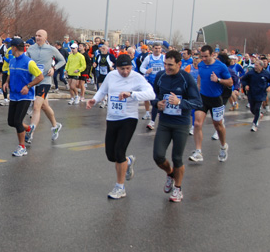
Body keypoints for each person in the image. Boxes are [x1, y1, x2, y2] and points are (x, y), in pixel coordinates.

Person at [86, 54, 155, 199]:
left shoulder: (137, 77)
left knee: (119, 152)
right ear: (116, 67)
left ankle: (120, 187)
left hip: (128, 118)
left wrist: (131, 94)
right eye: (122, 68)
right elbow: (103, 90)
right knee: (111, 156)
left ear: (132, 67)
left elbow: (151, 94)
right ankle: (128, 161)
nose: (125, 71)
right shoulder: (111, 76)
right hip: (112, 118)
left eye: (128, 68)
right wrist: (95, 99)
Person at [152, 50, 202, 203]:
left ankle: (178, 189)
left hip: (181, 124)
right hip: (165, 123)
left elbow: (197, 102)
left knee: (177, 158)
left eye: (171, 65)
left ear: (179, 64)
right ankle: (170, 173)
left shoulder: (186, 79)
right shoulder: (161, 76)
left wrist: (181, 102)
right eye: (165, 64)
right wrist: (157, 103)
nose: (167, 68)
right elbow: (153, 95)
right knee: (158, 156)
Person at [188, 45, 233, 163]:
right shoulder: (201, 64)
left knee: (218, 125)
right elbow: (200, 76)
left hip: (216, 99)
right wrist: (198, 87)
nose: (203, 59)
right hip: (202, 97)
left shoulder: (221, 66)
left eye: (206, 56)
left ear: (213, 55)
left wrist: (218, 80)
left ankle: (223, 146)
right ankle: (198, 152)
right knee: (197, 123)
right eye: (201, 56)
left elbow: (230, 82)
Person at [4, 38, 44, 157]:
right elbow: (10, 73)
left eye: (11, 47)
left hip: (25, 96)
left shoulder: (29, 62)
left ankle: (22, 147)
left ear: (15, 47)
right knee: (11, 122)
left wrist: (28, 86)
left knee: (17, 121)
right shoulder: (12, 61)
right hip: (14, 95)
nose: (10, 49)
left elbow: (40, 76)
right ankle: (28, 128)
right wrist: (6, 82)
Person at [25, 29, 65, 143]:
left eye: (40, 36)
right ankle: (55, 125)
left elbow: (62, 61)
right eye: (36, 35)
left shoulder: (51, 49)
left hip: (45, 81)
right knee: (44, 106)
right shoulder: (31, 48)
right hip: (34, 81)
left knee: (36, 107)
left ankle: (30, 133)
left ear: (45, 37)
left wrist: (53, 68)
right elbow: (26, 61)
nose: (37, 37)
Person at [241, 60, 270, 132]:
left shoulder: (266, 73)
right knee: (252, 109)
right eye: (255, 65)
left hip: (261, 94)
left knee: (257, 108)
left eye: (257, 65)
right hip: (252, 93)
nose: (255, 67)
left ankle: (255, 124)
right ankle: (259, 115)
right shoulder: (251, 73)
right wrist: (246, 85)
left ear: (261, 66)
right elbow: (243, 79)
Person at [140, 43, 166, 130]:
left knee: (159, 101)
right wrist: (146, 71)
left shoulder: (164, 57)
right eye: (156, 48)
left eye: (159, 48)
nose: (157, 50)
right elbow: (141, 68)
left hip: (162, 83)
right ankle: (154, 117)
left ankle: (153, 121)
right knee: (154, 102)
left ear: (161, 49)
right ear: (153, 49)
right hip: (152, 83)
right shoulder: (149, 58)